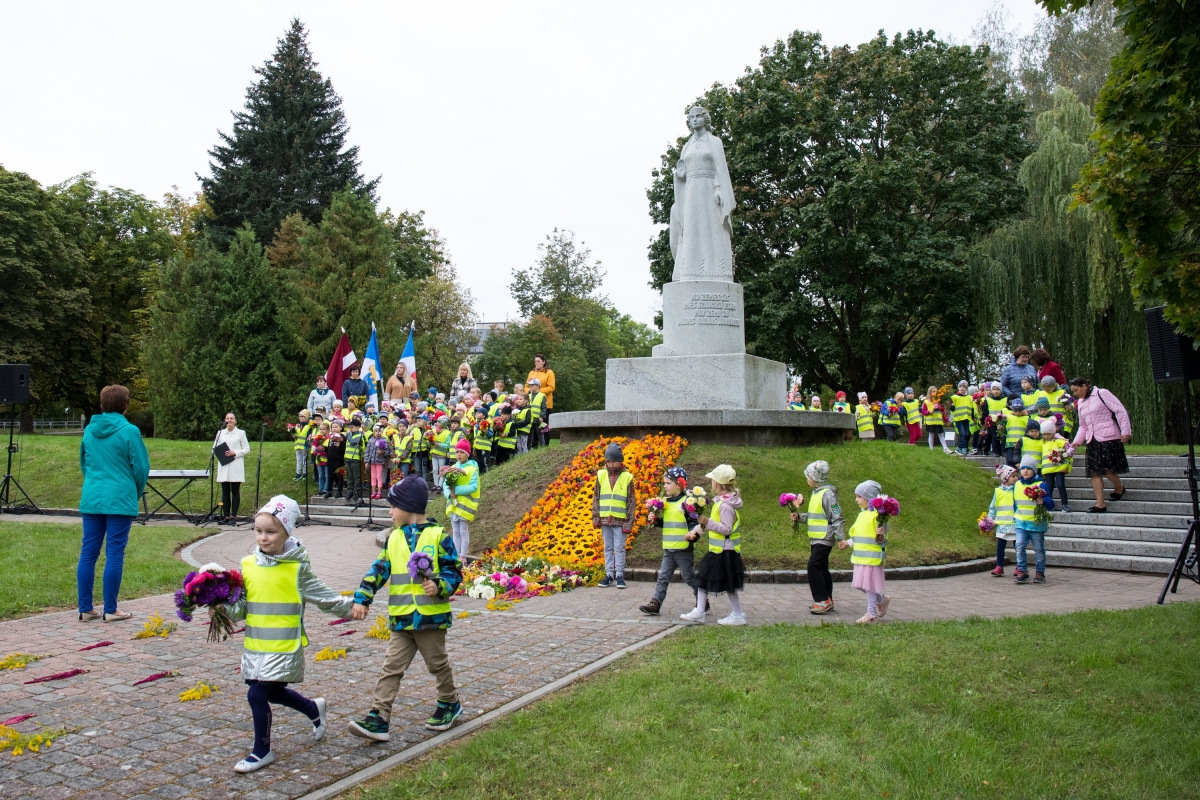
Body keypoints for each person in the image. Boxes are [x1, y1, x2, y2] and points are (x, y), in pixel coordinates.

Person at [220, 496, 353, 773]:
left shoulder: (297, 568)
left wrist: (352, 608)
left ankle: (261, 751)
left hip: (284, 644)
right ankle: (312, 709)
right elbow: (243, 606)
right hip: (255, 643)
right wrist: (221, 609)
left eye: (271, 531)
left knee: (257, 695)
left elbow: (324, 596)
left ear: (287, 532)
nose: (263, 538)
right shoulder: (247, 565)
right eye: (258, 531)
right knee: (274, 692)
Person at [348, 476, 465, 741]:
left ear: (409, 507)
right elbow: (378, 570)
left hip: (430, 619)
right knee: (391, 666)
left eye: (393, 506)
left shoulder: (438, 536)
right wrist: (362, 598)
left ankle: (449, 703)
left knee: (437, 664)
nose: (389, 512)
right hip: (401, 618)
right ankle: (379, 716)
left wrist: (440, 585)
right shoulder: (393, 539)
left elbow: (454, 570)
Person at [77, 384, 150, 623]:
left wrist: (94, 482)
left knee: (88, 552)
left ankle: (85, 608)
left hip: (92, 496)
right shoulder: (130, 431)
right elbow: (140, 468)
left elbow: (84, 463)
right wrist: (134, 491)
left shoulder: (89, 430)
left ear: (102, 404)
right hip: (119, 497)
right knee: (115, 553)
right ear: (125, 405)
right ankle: (111, 608)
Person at [680, 465, 747, 625]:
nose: (711, 484)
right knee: (703, 579)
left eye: (712, 481)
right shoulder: (722, 502)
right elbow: (709, 524)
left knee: (727, 584)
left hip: (725, 552)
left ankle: (737, 615)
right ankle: (700, 611)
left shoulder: (725, 506)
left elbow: (725, 529)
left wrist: (707, 522)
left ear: (718, 484)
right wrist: (695, 532)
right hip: (718, 551)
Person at [639, 467, 700, 616]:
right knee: (663, 577)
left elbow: (693, 522)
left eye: (667, 483)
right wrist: (655, 520)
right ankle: (656, 603)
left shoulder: (687, 502)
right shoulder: (664, 502)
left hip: (683, 549)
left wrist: (693, 534)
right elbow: (667, 522)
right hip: (669, 549)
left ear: (679, 484)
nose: (664, 486)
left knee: (689, 577)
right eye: (664, 483)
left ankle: (702, 600)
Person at [1069, 377, 1132, 514]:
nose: (1075, 394)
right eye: (1073, 391)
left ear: (1085, 386)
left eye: (1076, 390)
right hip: (1092, 439)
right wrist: (1076, 442)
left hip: (1109, 437)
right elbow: (1083, 425)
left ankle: (1119, 488)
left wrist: (1125, 431)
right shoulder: (1080, 402)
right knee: (1095, 472)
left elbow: (1120, 410)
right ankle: (1100, 503)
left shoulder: (1101, 393)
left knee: (1109, 471)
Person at [792, 460, 845, 615]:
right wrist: (799, 517)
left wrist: (840, 537)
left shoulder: (827, 494)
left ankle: (822, 600)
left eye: (808, 476)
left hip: (825, 537)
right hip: (816, 537)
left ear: (815, 478)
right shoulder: (816, 493)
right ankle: (827, 598)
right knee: (821, 568)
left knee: (813, 566)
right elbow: (816, 516)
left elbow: (836, 516)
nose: (807, 479)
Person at [844, 480, 890, 624]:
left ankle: (871, 614)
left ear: (870, 498)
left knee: (869, 586)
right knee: (859, 585)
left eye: (859, 496)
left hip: (871, 558)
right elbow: (858, 535)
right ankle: (881, 600)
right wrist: (848, 543)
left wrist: (880, 534)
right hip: (860, 557)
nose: (856, 500)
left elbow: (881, 538)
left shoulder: (878, 516)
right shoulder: (862, 515)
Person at [592, 442, 635, 589]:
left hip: (620, 520)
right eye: (608, 461)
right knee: (608, 547)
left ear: (620, 461)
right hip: (605, 519)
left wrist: (629, 522)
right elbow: (596, 498)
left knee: (620, 547)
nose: (610, 464)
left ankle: (619, 575)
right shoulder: (601, 475)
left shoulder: (627, 477)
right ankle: (609, 574)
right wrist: (596, 517)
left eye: (613, 461)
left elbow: (631, 501)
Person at [1014, 454, 1056, 584]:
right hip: (1021, 522)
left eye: (1028, 468)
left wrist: (1042, 501)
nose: (1025, 471)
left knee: (1038, 549)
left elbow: (1051, 504)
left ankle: (1040, 572)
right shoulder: (1017, 485)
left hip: (1036, 524)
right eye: (1023, 468)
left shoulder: (1041, 485)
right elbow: (1015, 503)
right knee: (1019, 546)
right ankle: (1022, 570)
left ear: (1034, 470)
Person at [443, 438, 480, 557]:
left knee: (463, 531)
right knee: (455, 531)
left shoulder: (472, 468)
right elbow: (445, 484)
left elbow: (474, 486)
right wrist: (448, 493)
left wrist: (456, 490)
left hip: (464, 504)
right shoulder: (453, 467)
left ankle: (462, 555)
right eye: (457, 452)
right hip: (454, 503)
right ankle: (456, 555)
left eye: (462, 452)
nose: (459, 454)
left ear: (467, 454)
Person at [214, 412, 251, 522]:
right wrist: (220, 453)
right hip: (224, 465)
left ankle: (233, 516)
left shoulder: (240, 433)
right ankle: (226, 516)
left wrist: (234, 452)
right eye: (227, 418)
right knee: (225, 492)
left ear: (235, 421)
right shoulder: (220, 433)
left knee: (235, 491)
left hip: (235, 464)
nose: (229, 420)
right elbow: (214, 448)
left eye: (231, 418)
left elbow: (247, 449)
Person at [986, 465, 1019, 577]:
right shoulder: (998, 491)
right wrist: (990, 520)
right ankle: (999, 566)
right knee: (1000, 545)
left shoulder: (1017, 490)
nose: (1016, 478)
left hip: (1015, 523)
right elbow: (993, 507)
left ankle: (1020, 566)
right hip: (1002, 524)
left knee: (1017, 545)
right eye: (1013, 476)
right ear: (1005, 478)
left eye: (1016, 475)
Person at [1039, 417, 1072, 513]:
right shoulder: (1042, 443)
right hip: (1048, 469)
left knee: (1060, 484)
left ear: (1053, 432)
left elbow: (1069, 450)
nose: (1046, 436)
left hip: (1059, 468)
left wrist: (1067, 456)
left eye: (1048, 434)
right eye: (1044, 434)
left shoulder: (1060, 441)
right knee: (1049, 486)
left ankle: (1065, 504)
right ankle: (1049, 505)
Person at [365, 424, 392, 500]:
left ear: (382, 431)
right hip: (372, 461)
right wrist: (366, 461)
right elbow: (367, 451)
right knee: (373, 476)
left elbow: (388, 452)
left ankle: (379, 492)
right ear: (374, 432)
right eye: (376, 431)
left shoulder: (384, 440)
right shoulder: (371, 440)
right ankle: (373, 492)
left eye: (379, 431)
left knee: (378, 476)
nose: (377, 433)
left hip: (379, 461)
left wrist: (382, 452)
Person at [922, 387, 951, 454]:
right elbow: (923, 412)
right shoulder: (926, 402)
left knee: (941, 435)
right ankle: (931, 449)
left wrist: (946, 420)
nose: (934, 393)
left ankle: (945, 448)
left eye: (936, 391)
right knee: (931, 435)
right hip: (930, 422)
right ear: (929, 393)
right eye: (933, 391)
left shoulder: (940, 401)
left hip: (938, 421)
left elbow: (943, 412)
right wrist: (929, 412)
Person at [950, 380, 974, 456]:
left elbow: (972, 408)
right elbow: (951, 408)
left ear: (966, 388)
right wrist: (952, 406)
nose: (962, 388)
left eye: (964, 387)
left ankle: (962, 447)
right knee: (962, 433)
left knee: (967, 434)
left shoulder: (970, 397)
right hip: (958, 418)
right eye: (960, 386)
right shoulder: (954, 397)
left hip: (967, 418)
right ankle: (963, 448)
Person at [1003, 399, 1029, 467]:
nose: (1017, 413)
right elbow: (1004, 429)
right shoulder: (1008, 417)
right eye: (1015, 411)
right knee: (1010, 461)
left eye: (1019, 411)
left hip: (1021, 444)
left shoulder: (1026, 418)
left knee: (1020, 461)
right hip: (1010, 444)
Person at [344, 419, 365, 501]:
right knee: (349, 476)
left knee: (356, 477)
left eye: (352, 427)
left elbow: (353, 443)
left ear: (358, 427)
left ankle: (356, 490)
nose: (350, 429)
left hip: (355, 459)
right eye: (349, 427)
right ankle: (350, 490)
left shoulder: (360, 435)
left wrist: (348, 436)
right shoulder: (350, 435)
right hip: (348, 458)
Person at [326, 418, 347, 499]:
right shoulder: (330, 437)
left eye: (336, 427)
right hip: (330, 459)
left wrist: (339, 446)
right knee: (330, 476)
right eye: (333, 427)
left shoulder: (342, 437)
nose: (334, 428)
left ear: (341, 428)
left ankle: (339, 491)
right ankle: (329, 491)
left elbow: (343, 449)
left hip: (338, 460)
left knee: (339, 476)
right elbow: (328, 447)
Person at [290, 409, 313, 481]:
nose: (301, 418)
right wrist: (293, 435)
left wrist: (306, 446)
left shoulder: (309, 426)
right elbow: (296, 434)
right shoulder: (297, 425)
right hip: (297, 446)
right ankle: (298, 473)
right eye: (300, 416)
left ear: (306, 418)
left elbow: (309, 437)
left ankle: (304, 474)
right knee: (298, 460)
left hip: (304, 446)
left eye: (303, 416)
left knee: (304, 461)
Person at [310, 421, 331, 497]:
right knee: (320, 475)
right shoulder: (317, 438)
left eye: (324, 429)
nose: (322, 431)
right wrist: (316, 451)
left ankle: (326, 489)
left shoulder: (329, 438)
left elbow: (329, 449)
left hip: (326, 460)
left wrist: (323, 449)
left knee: (327, 475)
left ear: (328, 430)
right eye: (321, 429)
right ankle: (321, 489)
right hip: (318, 459)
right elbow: (313, 448)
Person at [527, 378, 548, 449]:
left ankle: (543, 447)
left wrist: (542, 417)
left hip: (537, 418)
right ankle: (528, 448)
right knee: (529, 434)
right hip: (530, 418)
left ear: (537, 386)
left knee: (540, 433)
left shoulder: (542, 396)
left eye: (532, 385)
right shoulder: (528, 395)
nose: (530, 387)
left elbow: (544, 408)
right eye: (530, 385)